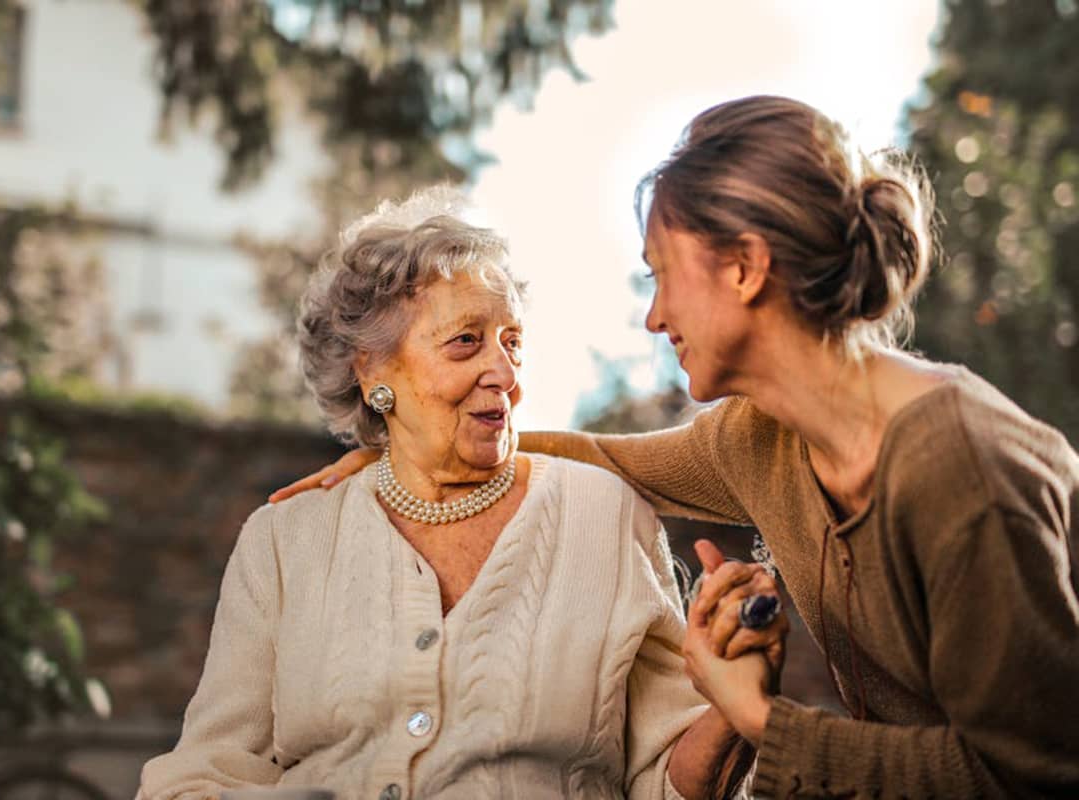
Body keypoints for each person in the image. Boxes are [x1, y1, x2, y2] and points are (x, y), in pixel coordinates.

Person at [269, 97, 1079, 798]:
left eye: (661, 275)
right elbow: (605, 458)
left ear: (745, 269)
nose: (654, 318)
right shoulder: (760, 438)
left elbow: (1030, 774)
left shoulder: (961, 470)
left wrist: (759, 717)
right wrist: (409, 452)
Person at [138, 189, 788, 800]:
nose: (504, 375)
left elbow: (666, 782)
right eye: (466, 343)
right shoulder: (284, 541)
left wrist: (735, 705)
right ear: (373, 371)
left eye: (513, 343)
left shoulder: (605, 517)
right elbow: (204, 772)